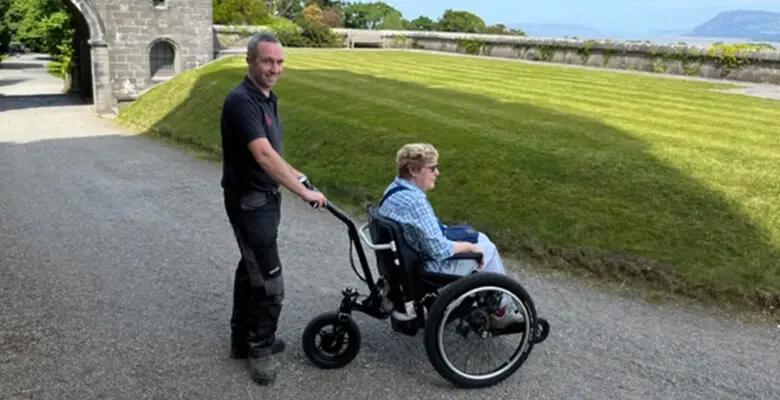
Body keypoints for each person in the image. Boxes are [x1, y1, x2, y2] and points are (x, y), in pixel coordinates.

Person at [219, 32, 327, 386]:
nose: (274, 68)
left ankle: (241, 340)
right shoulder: (241, 100)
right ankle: (260, 349)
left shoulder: (266, 98)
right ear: (250, 61)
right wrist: (300, 191)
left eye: (279, 62)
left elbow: (273, 152)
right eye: (267, 61)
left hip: (264, 199)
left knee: (250, 269)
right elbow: (262, 154)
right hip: (250, 202)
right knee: (270, 282)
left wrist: (299, 176)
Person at [376, 143, 524, 329]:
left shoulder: (395, 189)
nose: (436, 173)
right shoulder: (416, 202)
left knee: (481, 237)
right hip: (429, 266)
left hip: (409, 257)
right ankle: (501, 309)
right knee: (488, 249)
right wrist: (468, 247)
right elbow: (438, 250)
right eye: (432, 168)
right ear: (414, 170)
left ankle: (492, 301)